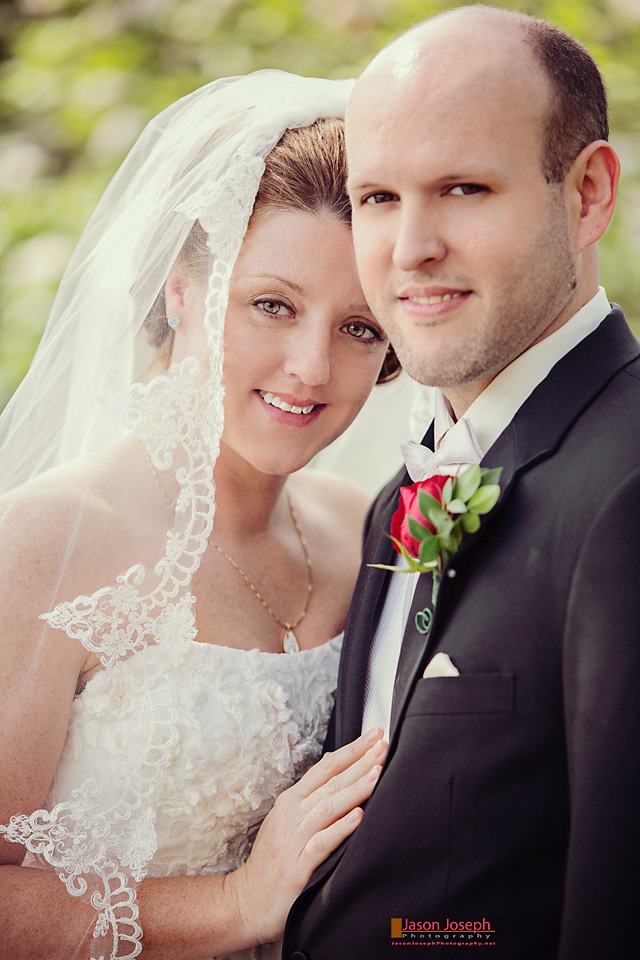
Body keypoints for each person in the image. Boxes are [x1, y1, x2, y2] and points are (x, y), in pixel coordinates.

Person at [0, 71, 398, 960]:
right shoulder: (41, 544)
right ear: (181, 289)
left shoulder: (361, 531)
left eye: (360, 328)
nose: (311, 367)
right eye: (272, 305)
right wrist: (234, 904)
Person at [283, 7, 639, 959]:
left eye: (463, 188)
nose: (409, 249)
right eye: (378, 197)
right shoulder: (398, 495)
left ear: (589, 195)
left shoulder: (628, 486)